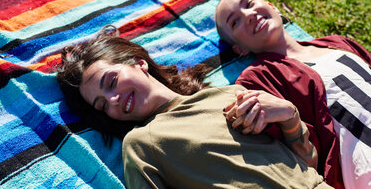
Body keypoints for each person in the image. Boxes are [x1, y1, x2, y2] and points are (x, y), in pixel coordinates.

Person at [56, 30, 331, 188]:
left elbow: (307, 170)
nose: (114, 100)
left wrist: (289, 116)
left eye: (112, 82)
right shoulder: (141, 144)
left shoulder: (232, 96)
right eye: (103, 105)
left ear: (138, 62)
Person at [215, 0, 371, 189]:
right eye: (235, 22)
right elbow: (299, 165)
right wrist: (290, 119)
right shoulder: (258, 80)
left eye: (249, 4)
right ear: (239, 49)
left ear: (272, 6)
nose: (249, 15)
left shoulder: (337, 43)